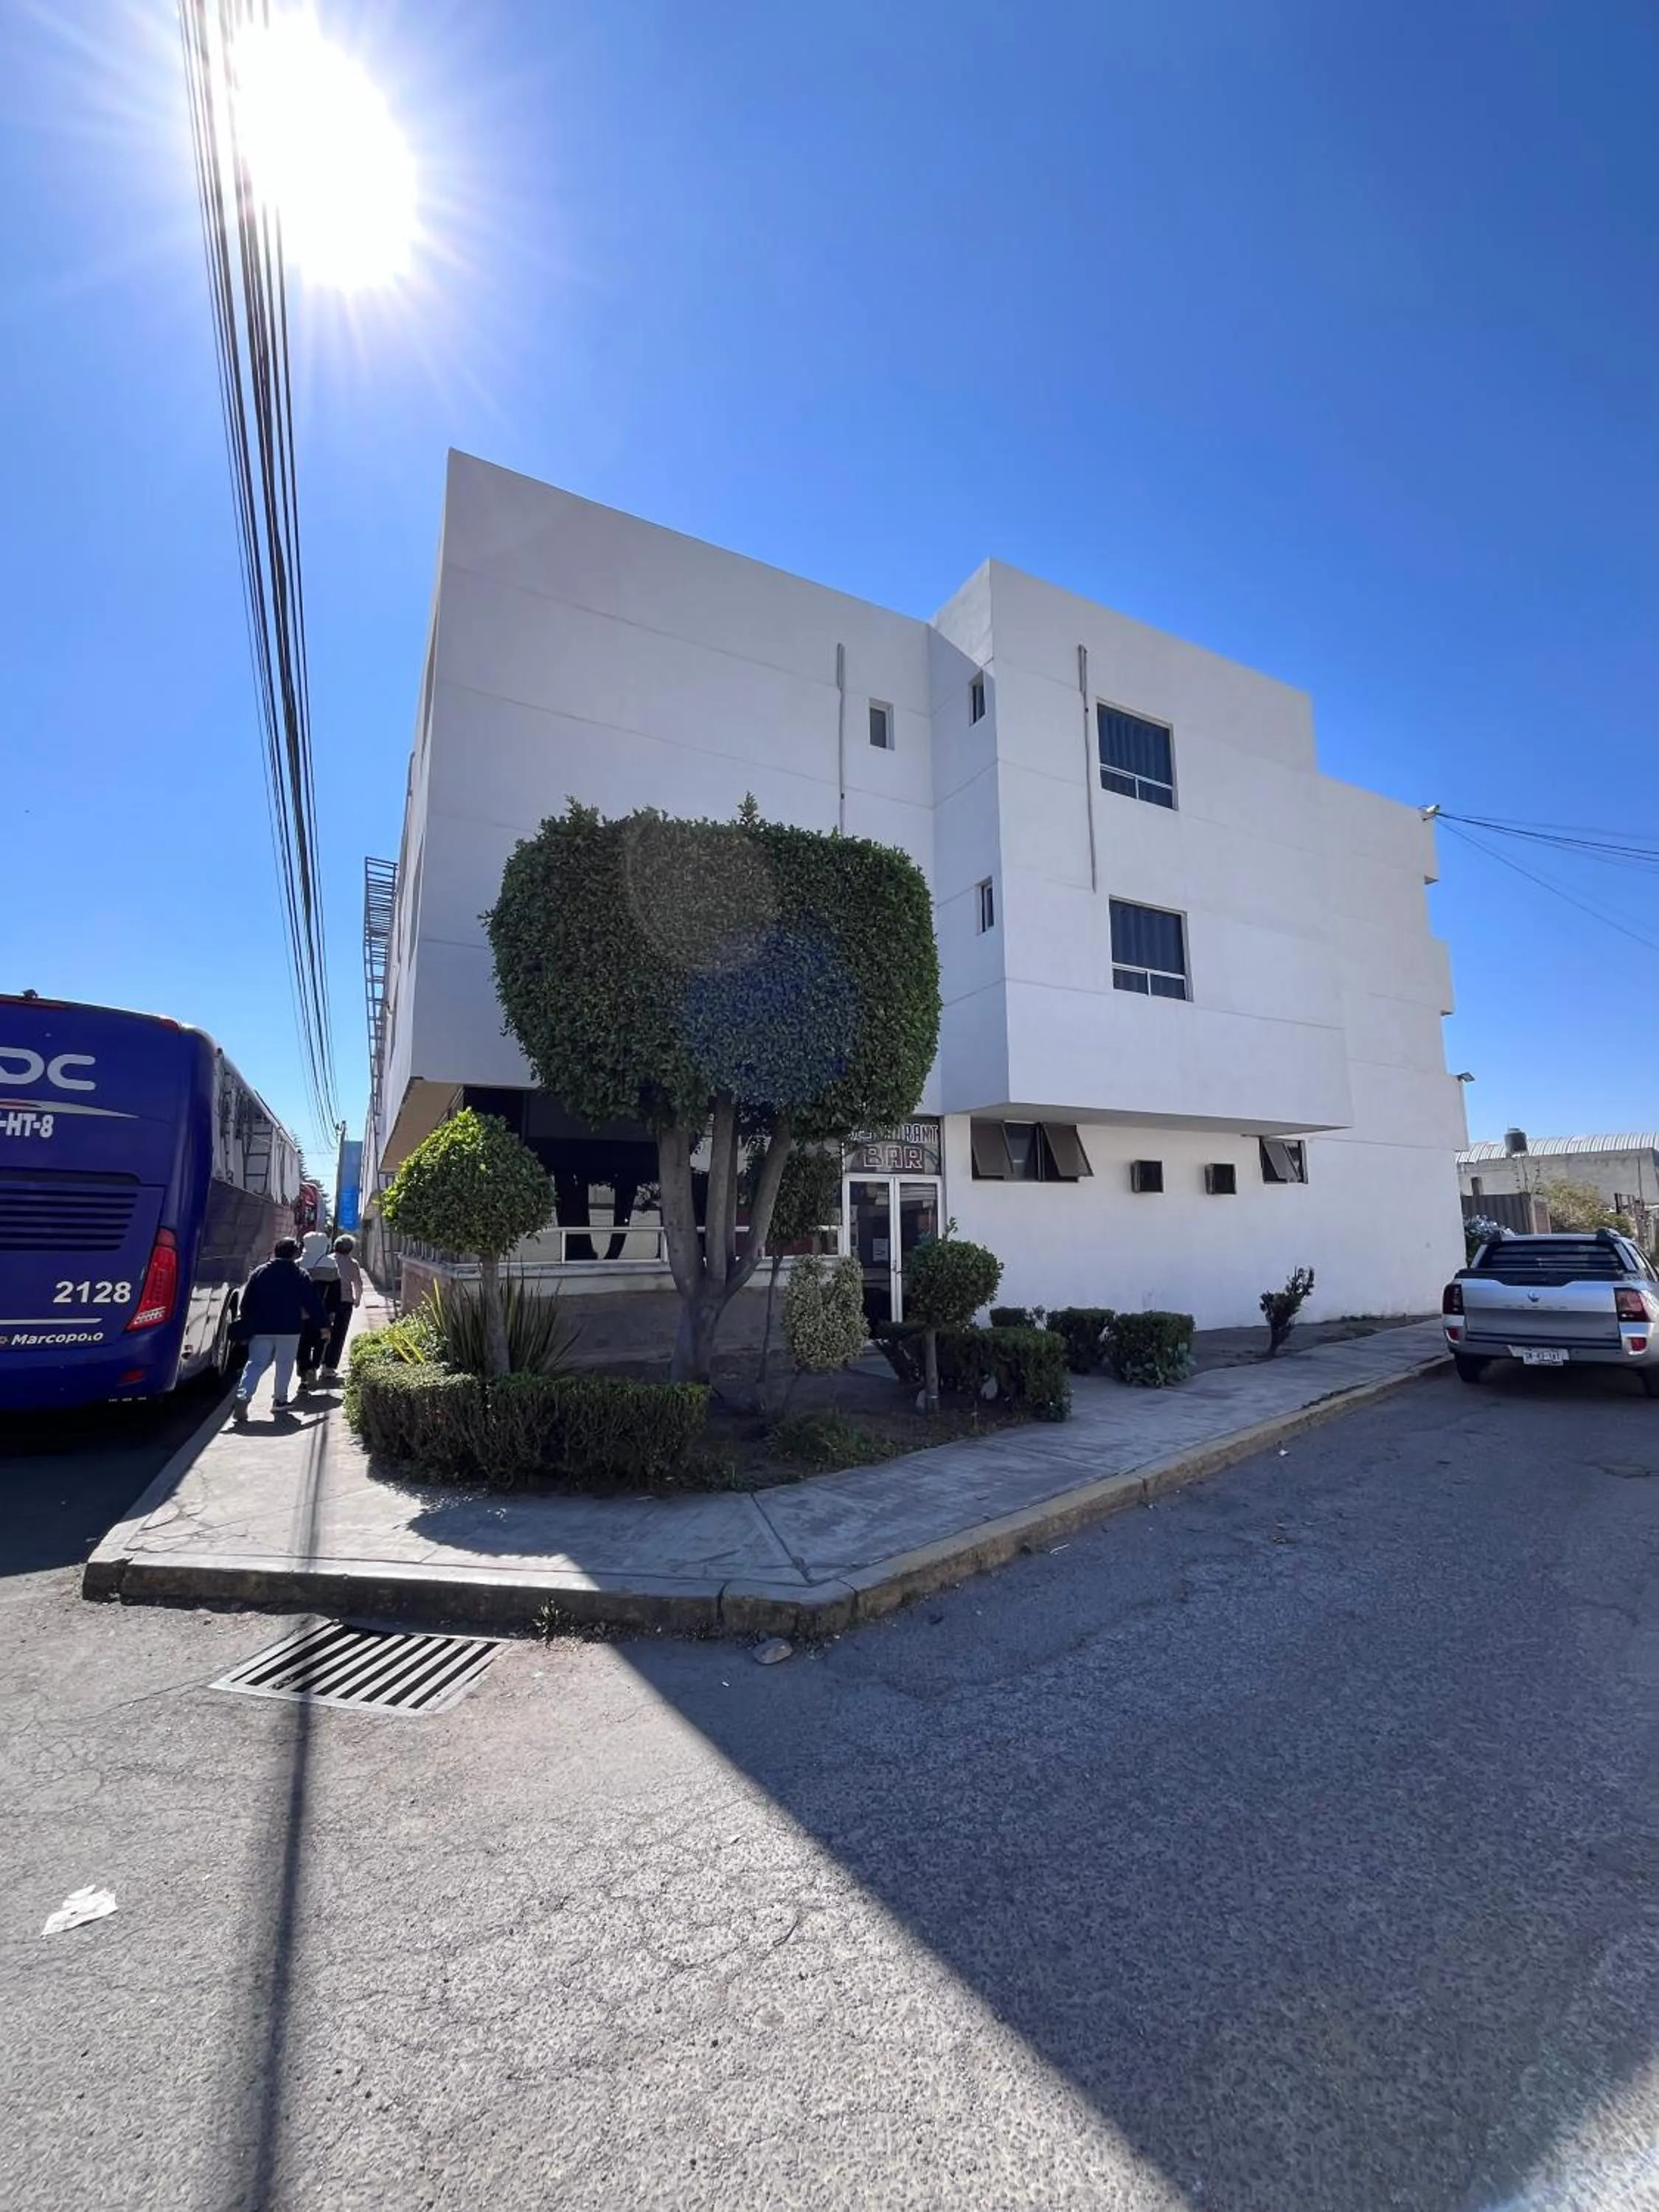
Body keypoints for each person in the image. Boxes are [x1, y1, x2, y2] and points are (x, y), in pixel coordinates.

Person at [231, 1237, 327, 1423]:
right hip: (290, 1328)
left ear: (276, 1251)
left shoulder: (260, 1272)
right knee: (285, 1364)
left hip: (261, 1327)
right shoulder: (300, 1274)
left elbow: (247, 1302)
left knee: (255, 1363)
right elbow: (312, 1303)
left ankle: (243, 1397)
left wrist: (247, 1323)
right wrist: (322, 1325)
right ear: (295, 1254)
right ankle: (280, 1400)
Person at [296, 1228, 339, 1391]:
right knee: (322, 1340)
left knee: (302, 1344)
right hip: (323, 1312)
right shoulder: (331, 1264)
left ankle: (303, 1376)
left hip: (301, 1313)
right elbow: (335, 1293)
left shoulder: (298, 1264)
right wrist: (333, 1311)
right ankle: (314, 1367)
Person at [318, 1234, 365, 1381]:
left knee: (323, 1333)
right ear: (350, 1249)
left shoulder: (326, 1260)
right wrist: (357, 1300)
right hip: (345, 1302)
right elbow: (358, 1284)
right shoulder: (353, 1263)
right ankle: (329, 1367)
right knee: (339, 1335)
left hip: (326, 1302)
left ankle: (318, 1361)